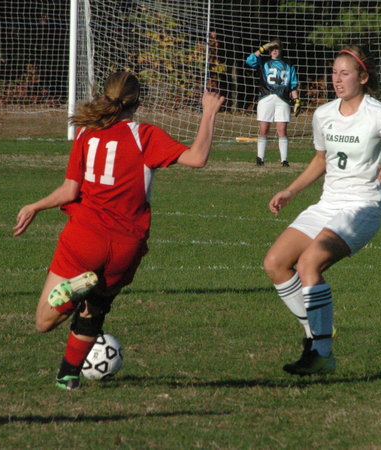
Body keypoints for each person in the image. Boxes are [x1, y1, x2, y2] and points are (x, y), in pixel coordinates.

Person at [13, 71, 225, 390]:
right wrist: (208, 113)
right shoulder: (145, 135)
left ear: (104, 96)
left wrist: (35, 206)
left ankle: (71, 296)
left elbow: (70, 191)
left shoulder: (87, 133)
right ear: (138, 102)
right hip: (126, 245)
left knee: (44, 321)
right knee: (97, 308)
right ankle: (68, 376)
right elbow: (197, 158)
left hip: (85, 237)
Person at [263, 45, 381, 376]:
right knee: (275, 263)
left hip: (362, 206)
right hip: (328, 203)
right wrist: (291, 191)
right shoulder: (323, 114)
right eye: (334, 73)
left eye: (345, 74)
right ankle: (316, 334)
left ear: (363, 78)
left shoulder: (376, 113)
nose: (337, 80)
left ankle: (321, 353)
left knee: (309, 263)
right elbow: (321, 159)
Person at [245, 40, 300, 167]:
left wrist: (297, 100)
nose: (274, 51)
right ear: (269, 51)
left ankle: (284, 160)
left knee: (282, 129)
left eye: (277, 48)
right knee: (264, 128)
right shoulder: (263, 62)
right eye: (272, 48)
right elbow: (249, 61)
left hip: (283, 99)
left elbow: (293, 84)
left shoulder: (288, 64)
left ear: (281, 49)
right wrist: (262, 49)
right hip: (266, 97)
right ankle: (260, 158)